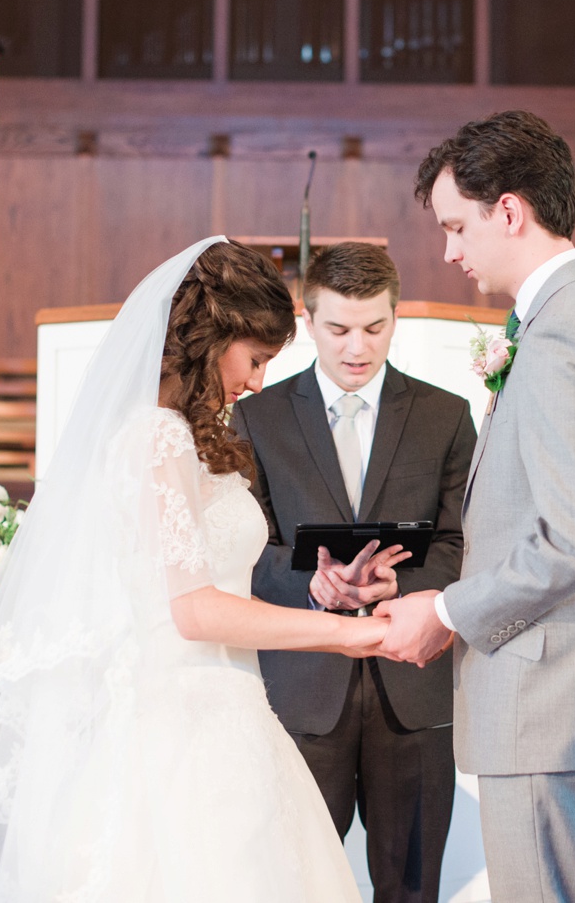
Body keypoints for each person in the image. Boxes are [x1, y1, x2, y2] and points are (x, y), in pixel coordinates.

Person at [0, 237, 411, 903]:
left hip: (229, 712)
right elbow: (194, 610)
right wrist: (353, 635)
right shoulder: (155, 436)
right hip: (181, 727)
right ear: (212, 337)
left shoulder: (186, 436)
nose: (258, 380)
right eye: (255, 359)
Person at [373, 111, 575, 902]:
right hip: (560, 697)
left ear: (509, 210)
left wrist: (447, 610)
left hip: (550, 700)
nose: (449, 252)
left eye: (457, 227)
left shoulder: (565, 331)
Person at [231, 242, 476, 903]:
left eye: (376, 327)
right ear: (306, 321)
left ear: (396, 318)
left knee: (412, 888)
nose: (357, 347)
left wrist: (411, 583)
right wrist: (309, 582)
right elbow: (244, 547)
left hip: (413, 689)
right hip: (303, 692)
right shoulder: (255, 417)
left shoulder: (446, 416)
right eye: (338, 328)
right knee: (295, 885)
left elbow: (464, 541)